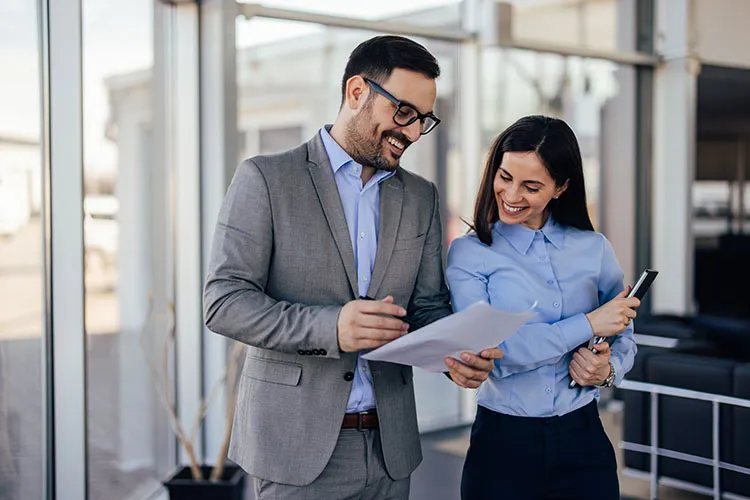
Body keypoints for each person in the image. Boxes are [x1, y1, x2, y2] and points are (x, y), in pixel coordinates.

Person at [203, 35, 502, 500]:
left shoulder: (421, 196)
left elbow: (425, 306)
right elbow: (223, 302)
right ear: (357, 91)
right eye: (403, 112)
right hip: (295, 450)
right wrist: (331, 327)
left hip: (391, 448)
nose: (412, 131)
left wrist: (455, 355)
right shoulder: (266, 178)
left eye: (423, 119)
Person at [446, 115, 640, 500]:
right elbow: (497, 354)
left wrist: (606, 370)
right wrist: (587, 323)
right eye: (504, 177)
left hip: (584, 439)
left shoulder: (594, 248)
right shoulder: (469, 253)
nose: (512, 195)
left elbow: (622, 333)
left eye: (531, 186)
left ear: (561, 187)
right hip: (502, 446)